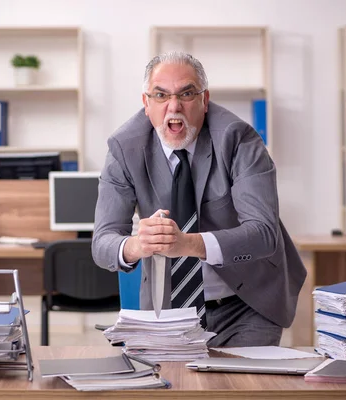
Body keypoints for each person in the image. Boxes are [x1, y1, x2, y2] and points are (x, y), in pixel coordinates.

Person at [91, 51, 306, 347]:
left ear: (205, 100)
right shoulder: (124, 148)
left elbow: (264, 234)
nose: (174, 106)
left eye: (187, 93)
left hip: (246, 303)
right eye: (161, 95)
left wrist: (188, 244)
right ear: (146, 104)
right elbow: (102, 243)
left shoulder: (238, 138)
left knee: (243, 392)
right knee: (173, 391)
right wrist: (137, 245)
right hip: (169, 312)